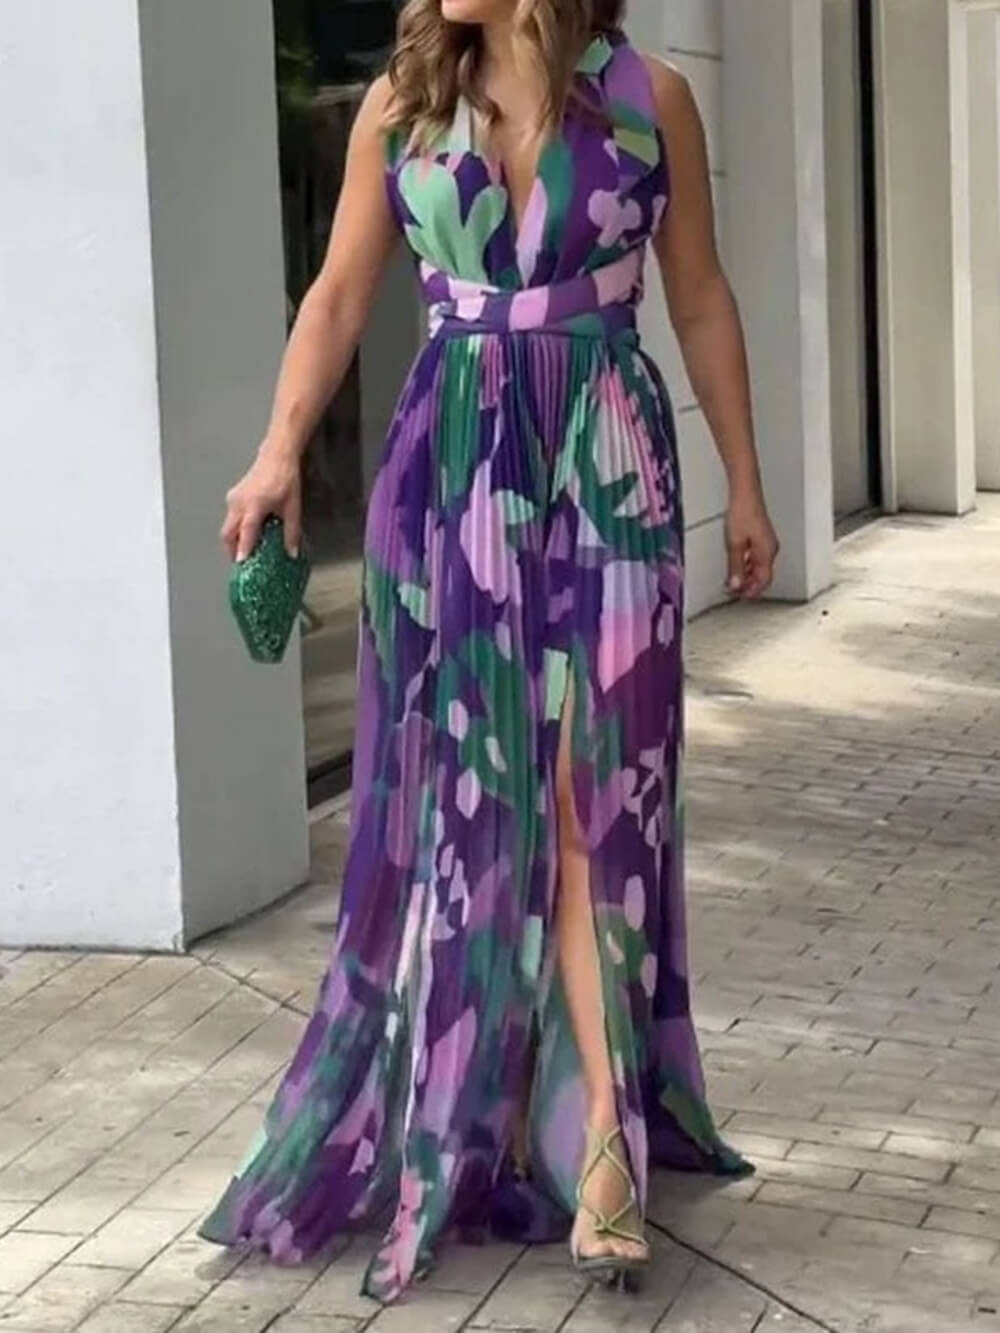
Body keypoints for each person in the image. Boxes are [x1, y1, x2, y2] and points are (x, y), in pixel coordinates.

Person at [203, 0, 778, 1305]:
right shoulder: (405, 105)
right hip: (452, 476)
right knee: (476, 806)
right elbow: (338, 295)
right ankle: (494, 1102)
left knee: (599, 795)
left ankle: (605, 1143)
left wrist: (746, 480)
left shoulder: (651, 100)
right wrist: (278, 451)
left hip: (610, 462)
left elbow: (698, 296)